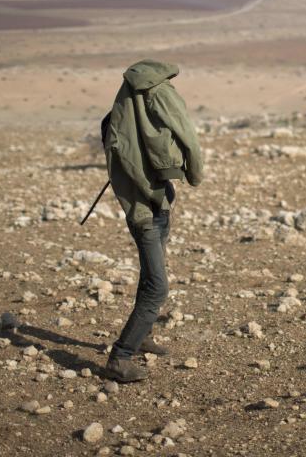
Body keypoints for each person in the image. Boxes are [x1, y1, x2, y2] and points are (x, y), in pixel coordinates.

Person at [101, 59, 203, 382]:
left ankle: (142, 336)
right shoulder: (161, 93)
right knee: (158, 287)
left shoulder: (126, 95)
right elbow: (187, 133)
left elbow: (112, 133)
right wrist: (194, 172)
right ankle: (120, 357)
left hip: (144, 199)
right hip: (146, 207)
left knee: (149, 275)